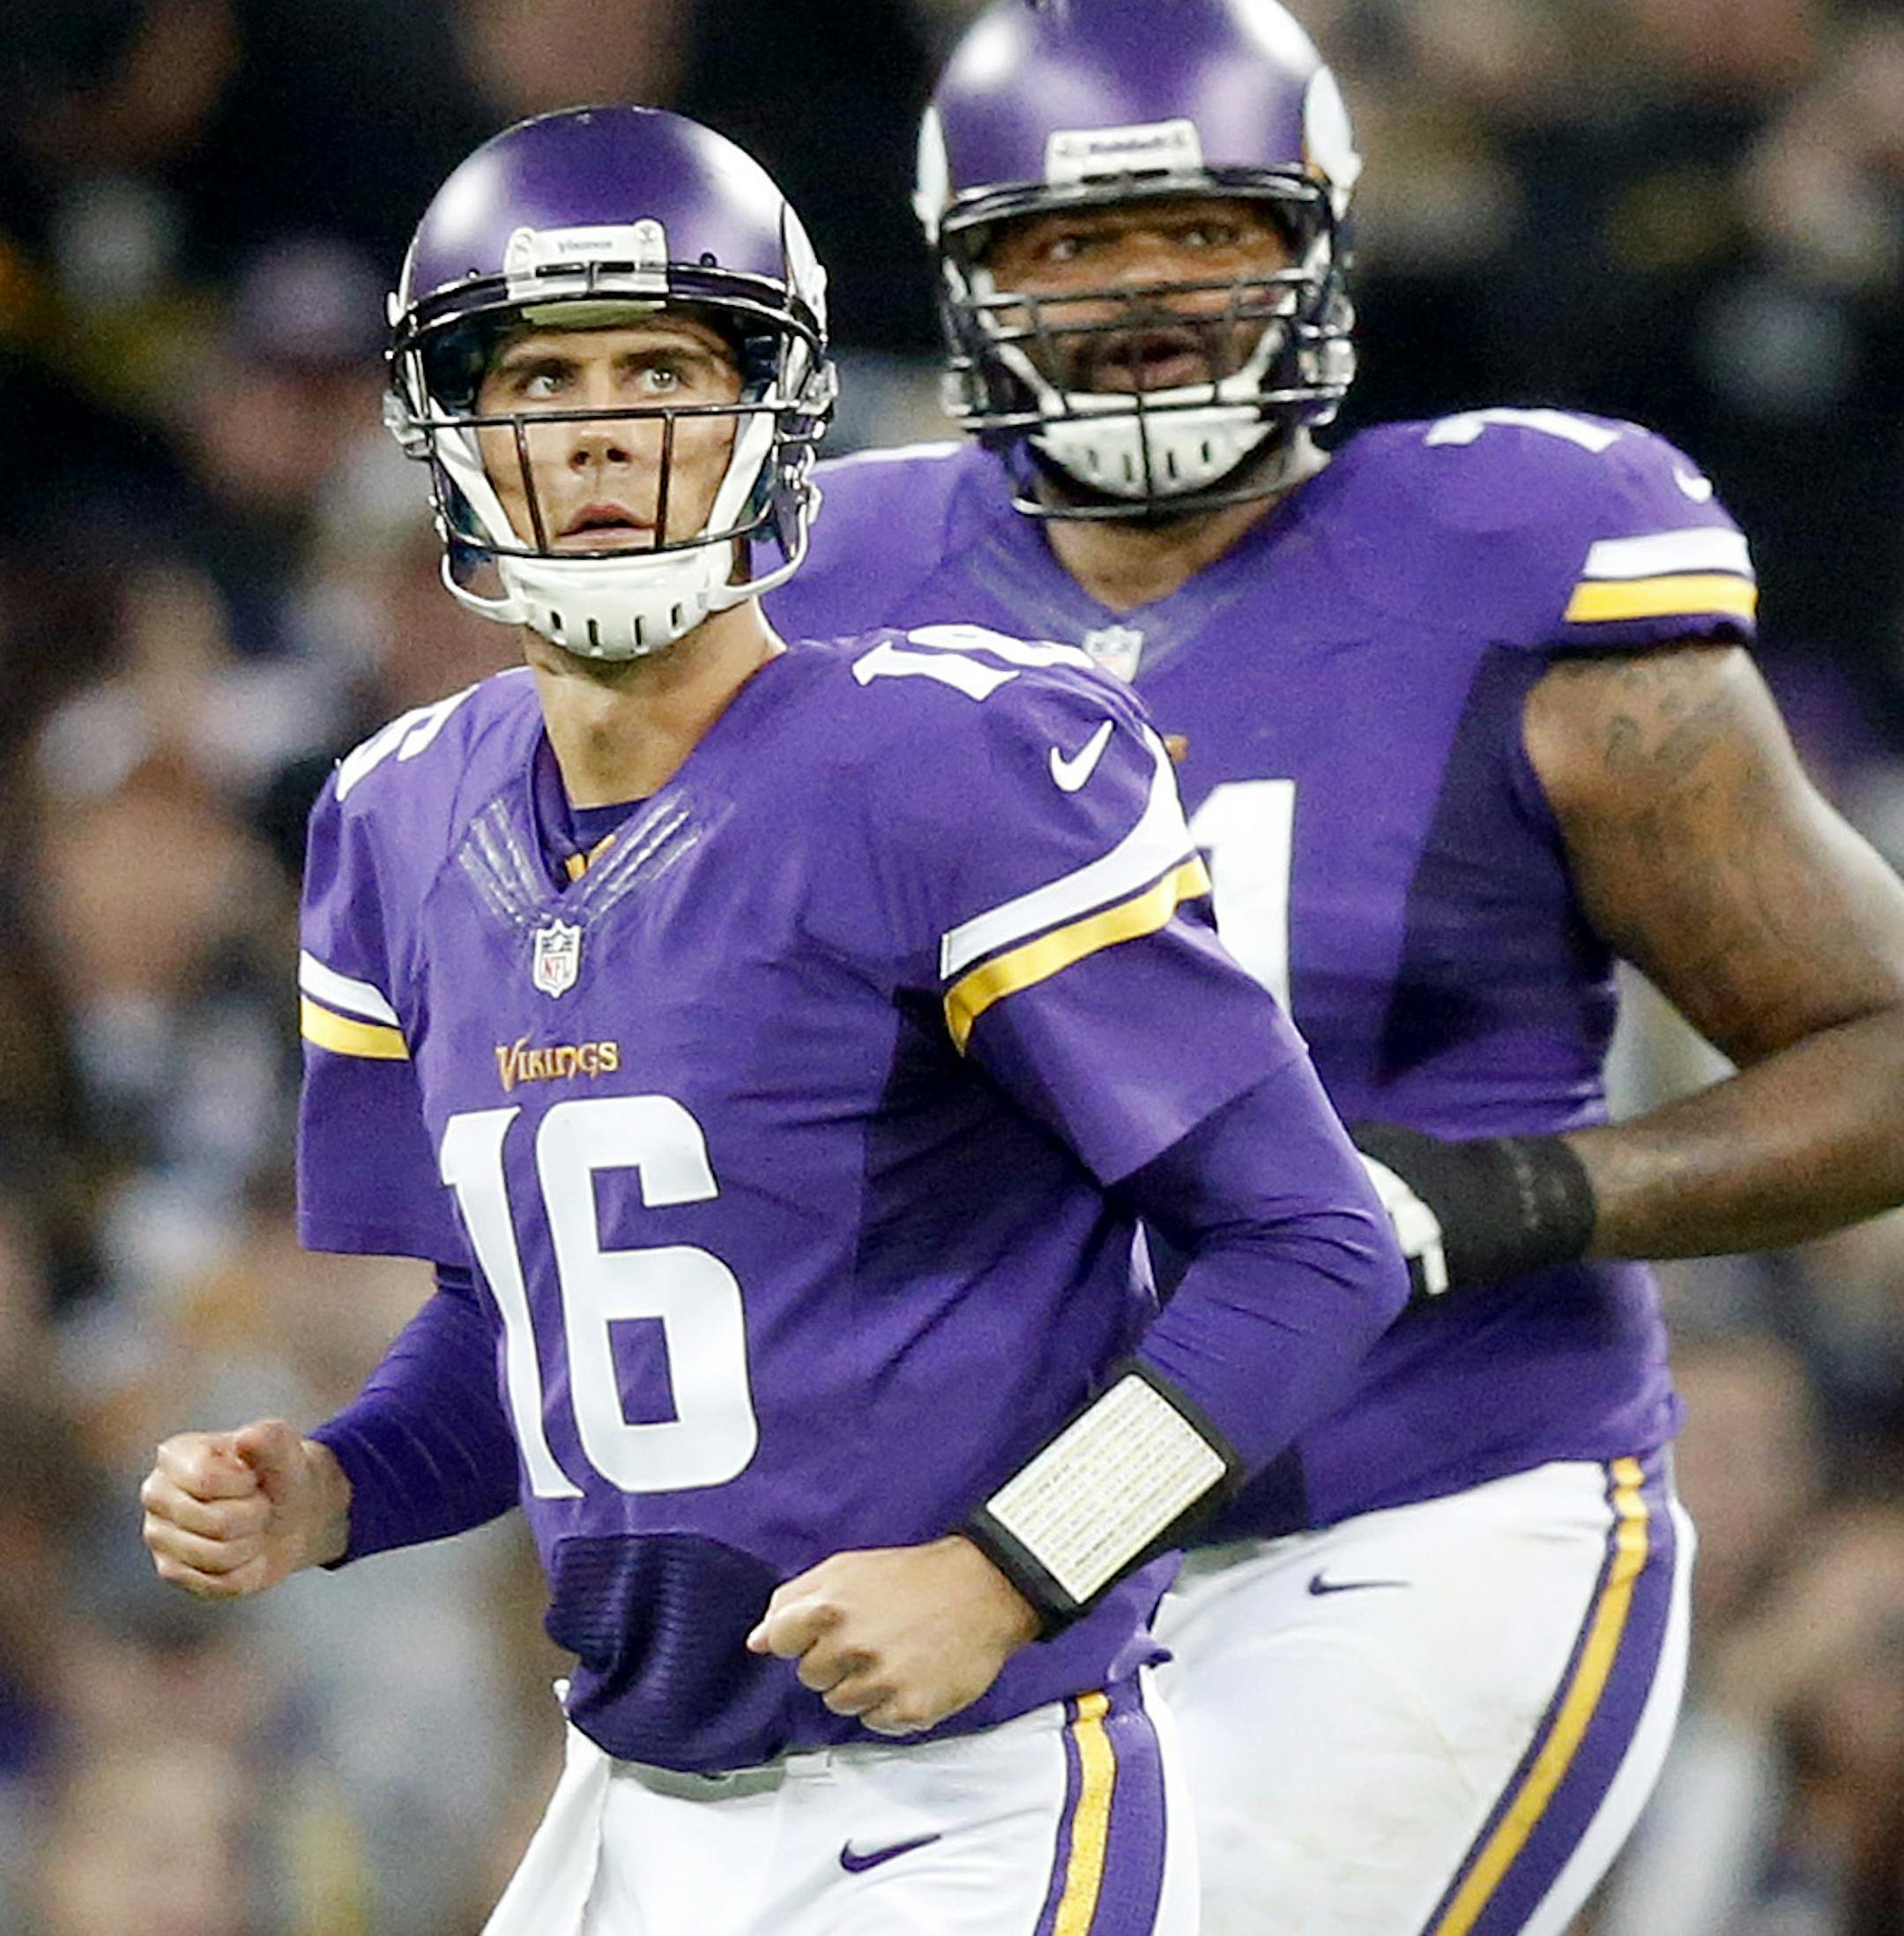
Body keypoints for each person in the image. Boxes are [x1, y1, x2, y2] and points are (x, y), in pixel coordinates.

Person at [138, 103, 1409, 1935]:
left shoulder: (951, 762)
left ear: (771, 410)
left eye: (662, 365)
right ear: (450, 429)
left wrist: (1008, 1570)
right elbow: (540, 1328)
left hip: (954, 1803)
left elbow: (1311, 1244)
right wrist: (338, 1482)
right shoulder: (394, 816)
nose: (600, 431)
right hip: (630, 1800)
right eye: (540, 375)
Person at [758, 4, 1904, 1932]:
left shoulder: (1511, 564)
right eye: (1068, 242)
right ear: (963, 277)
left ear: (1318, 246)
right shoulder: (818, 595)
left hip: (1422, 1512)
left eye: (1209, 231)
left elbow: (1879, 1048)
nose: (1146, 294)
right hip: (979, 1549)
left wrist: (1516, 1198)